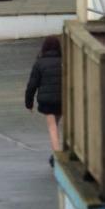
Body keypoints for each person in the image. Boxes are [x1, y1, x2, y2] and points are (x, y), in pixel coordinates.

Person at [25, 36, 63, 167]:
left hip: (47, 101)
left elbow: (32, 85)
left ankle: (58, 157)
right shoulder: (64, 61)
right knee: (57, 124)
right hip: (63, 100)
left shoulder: (39, 63)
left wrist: (28, 103)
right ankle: (57, 152)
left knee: (52, 127)